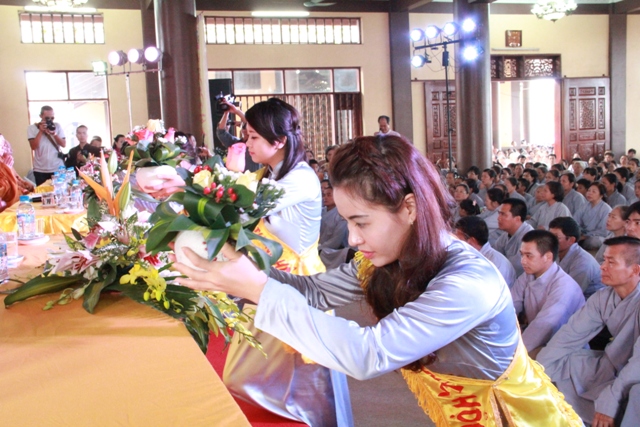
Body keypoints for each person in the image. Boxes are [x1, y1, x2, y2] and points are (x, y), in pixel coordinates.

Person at [172, 135, 582, 426]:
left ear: (409, 208)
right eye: (347, 222)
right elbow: (314, 291)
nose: (352, 239)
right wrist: (235, 268)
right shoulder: (388, 261)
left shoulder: (467, 283)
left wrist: (257, 288)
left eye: (362, 222)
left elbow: (368, 353)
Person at [224, 98, 351, 426]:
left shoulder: (300, 178)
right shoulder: (269, 173)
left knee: (308, 379)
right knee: (244, 373)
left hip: (299, 284)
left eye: (253, 137)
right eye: (247, 135)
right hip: (271, 281)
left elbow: (246, 209)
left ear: (279, 141)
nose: (247, 143)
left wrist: (231, 176)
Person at [538, 236, 640, 427]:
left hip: (636, 374)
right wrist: (537, 372)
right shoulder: (603, 297)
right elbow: (569, 336)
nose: (602, 266)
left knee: (636, 394)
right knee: (561, 362)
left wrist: (612, 397)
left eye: (611, 262)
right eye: (604, 260)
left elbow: (638, 362)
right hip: (613, 364)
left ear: (635, 270)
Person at [510, 230, 585, 357]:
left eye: (529, 256)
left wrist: (514, 353)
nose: (523, 261)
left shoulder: (564, 286)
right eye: (522, 255)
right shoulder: (527, 276)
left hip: (562, 348)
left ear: (548, 257)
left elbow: (544, 325)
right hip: (536, 339)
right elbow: (511, 306)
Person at [549, 217, 604, 298]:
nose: (550, 241)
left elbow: (570, 294)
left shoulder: (583, 263)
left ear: (571, 240)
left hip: (587, 301)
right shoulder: (556, 252)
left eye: (556, 237)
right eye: (549, 236)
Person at [455, 216, 517, 287]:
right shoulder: (469, 257)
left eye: (459, 240)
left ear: (471, 241)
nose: (456, 243)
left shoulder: (496, 264)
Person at [216, 99, 260, 172]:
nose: (245, 129)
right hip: (236, 178)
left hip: (253, 177)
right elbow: (221, 132)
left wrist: (236, 111)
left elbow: (252, 124)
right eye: (243, 126)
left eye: (246, 126)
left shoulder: (255, 143)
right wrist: (226, 113)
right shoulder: (235, 144)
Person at [27, 105, 66, 185]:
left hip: (57, 167)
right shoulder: (32, 128)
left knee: (59, 190)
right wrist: (40, 131)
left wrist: (54, 134)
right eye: (47, 118)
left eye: (52, 118)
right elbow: (33, 147)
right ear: (40, 116)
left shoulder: (57, 126)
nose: (50, 120)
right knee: (43, 191)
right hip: (40, 169)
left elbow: (63, 144)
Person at [494, 198, 534, 276]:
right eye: (499, 213)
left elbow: (516, 267)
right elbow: (495, 254)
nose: (498, 218)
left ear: (517, 219)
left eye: (503, 214)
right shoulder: (506, 234)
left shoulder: (529, 237)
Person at [575, 182, 612, 250]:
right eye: (589, 191)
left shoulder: (606, 209)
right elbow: (575, 221)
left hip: (597, 236)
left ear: (601, 195)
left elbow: (603, 231)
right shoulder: (584, 206)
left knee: (594, 241)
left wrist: (586, 235)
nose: (590, 193)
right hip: (583, 233)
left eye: (594, 192)